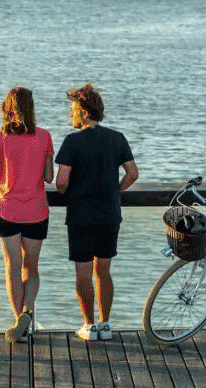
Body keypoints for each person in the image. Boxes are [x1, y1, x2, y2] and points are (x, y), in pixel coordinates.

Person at [54, 82, 138, 341]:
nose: (70, 115)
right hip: (110, 213)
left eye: (73, 110)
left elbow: (61, 183)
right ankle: (105, 324)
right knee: (103, 270)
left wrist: (67, 191)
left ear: (84, 113)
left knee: (82, 272)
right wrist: (115, 190)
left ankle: (88, 325)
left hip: (81, 214)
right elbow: (133, 174)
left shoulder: (72, 141)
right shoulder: (117, 137)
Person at [0, 86, 55, 343]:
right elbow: (48, 177)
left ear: (8, 108)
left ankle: (20, 323)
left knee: (12, 267)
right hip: (36, 210)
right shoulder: (44, 136)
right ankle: (28, 312)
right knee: (32, 269)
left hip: (6, 210)